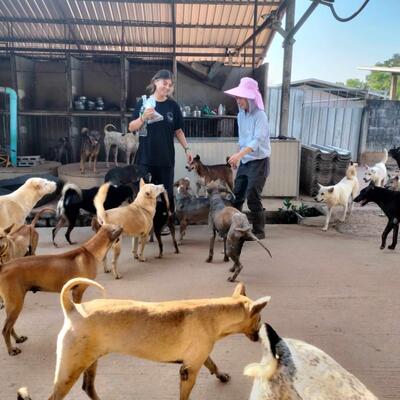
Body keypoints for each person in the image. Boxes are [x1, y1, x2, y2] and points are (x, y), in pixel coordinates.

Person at [128, 70, 193, 211]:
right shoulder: (143, 103)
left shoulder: (173, 106)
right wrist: (143, 117)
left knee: (166, 194)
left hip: (165, 159)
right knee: (144, 196)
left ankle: (167, 219)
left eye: (170, 85)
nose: (167, 87)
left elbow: (178, 131)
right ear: (155, 82)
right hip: (145, 158)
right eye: (164, 83)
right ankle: (145, 222)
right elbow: (131, 127)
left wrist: (187, 149)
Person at [224, 77, 270, 239]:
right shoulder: (240, 115)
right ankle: (234, 226)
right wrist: (237, 157)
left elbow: (257, 141)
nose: (238, 101)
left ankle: (259, 231)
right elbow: (242, 140)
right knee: (237, 195)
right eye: (237, 97)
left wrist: (238, 155)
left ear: (250, 97)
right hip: (245, 160)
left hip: (259, 162)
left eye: (241, 97)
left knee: (253, 196)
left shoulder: (260, 115)